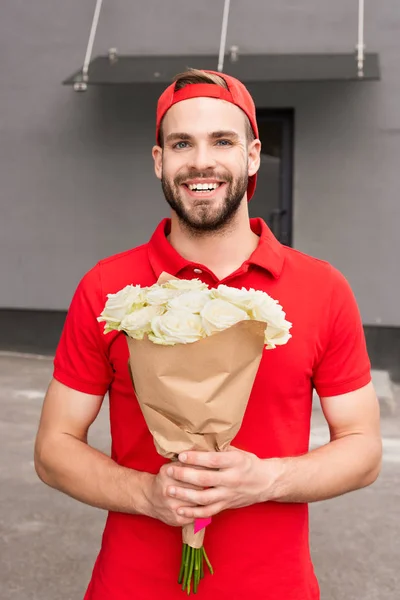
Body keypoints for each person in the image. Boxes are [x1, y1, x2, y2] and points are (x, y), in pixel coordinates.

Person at [34, 69, 382, 600]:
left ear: (253, 155)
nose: (201, 161)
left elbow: (363, 449)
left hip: (275, 588)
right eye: (181, 143)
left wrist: (264, 480)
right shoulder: (106, 288)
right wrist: (148, 494)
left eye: (222, 140)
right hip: (130, 587)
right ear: (159, 162)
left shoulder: (323, 288)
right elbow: (53, 449)